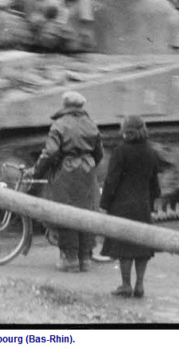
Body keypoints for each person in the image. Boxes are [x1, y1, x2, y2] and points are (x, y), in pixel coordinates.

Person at [31, 91, 105, 273]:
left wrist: (38, 170)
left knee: (65, 212)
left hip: (66, 172)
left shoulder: (59, 124)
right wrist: (88, 163)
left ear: (65, 105)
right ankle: (85, 259)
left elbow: (51, 153)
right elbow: (99, 153)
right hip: (87, 171)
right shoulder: (91, 124)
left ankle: (69, 259)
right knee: (86, 213)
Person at [100, 115, 161, 298]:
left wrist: (104, 204)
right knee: (142, 246)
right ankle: (140, 285)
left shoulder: (120, 151)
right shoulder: (151, 152)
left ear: (125, 130)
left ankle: (126, 285)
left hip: (122, 205)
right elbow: (154, 184)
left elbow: (111, 181)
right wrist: (151, 205)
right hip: (142, 205)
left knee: (124, 246)